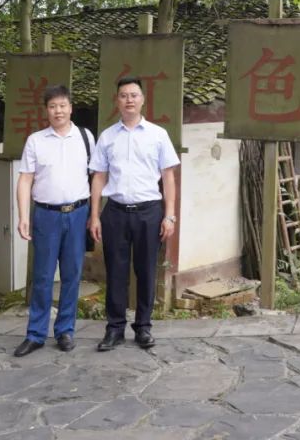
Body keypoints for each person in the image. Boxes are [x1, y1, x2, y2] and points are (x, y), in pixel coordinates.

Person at [89, 77, 180, 351]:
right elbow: (98, 177)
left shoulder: (158, 135)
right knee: (115, 272)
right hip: (115, 212)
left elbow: (168, 177)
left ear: (142, 99)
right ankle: (114, 328)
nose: (129, 100)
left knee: (146, 271)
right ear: (117, 101)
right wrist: (95, 215)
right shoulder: (107, 136)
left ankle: (143, 327)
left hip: (149, 212)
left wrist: (170, 215)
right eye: (123, 95)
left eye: (134, 95)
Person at [12, 85, 94, 358]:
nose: (58, 111)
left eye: (62, 105)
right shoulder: (36, 141)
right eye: (52, 106)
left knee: (72, 274)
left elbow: (97, 176)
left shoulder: (85, 137)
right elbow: (25, 179)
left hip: (78, 213)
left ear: (71, 107)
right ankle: (35, 334)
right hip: (46, 215)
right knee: (43, 276)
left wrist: (94, 214)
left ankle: (65, 330)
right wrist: (23, 216)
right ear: (46, 111)